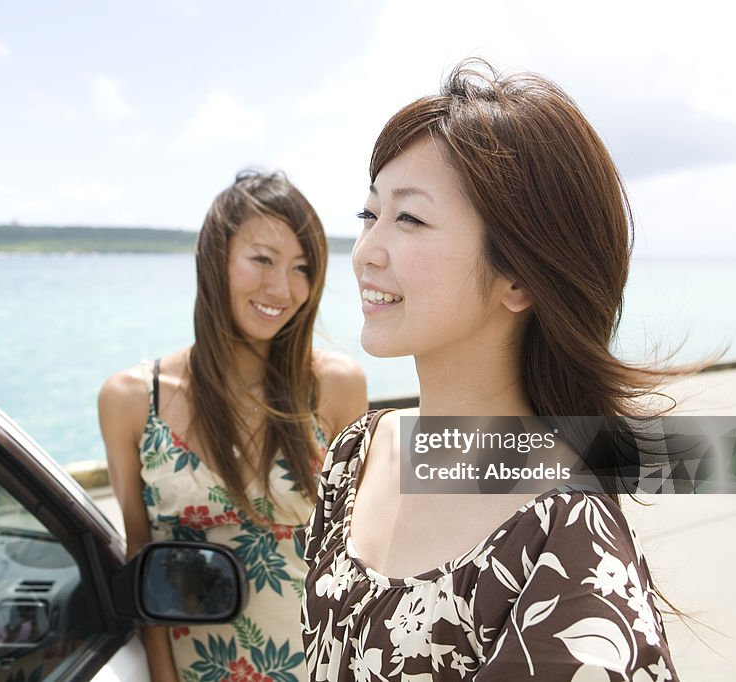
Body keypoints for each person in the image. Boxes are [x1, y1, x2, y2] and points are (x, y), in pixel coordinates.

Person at [301, 60, 681, 681]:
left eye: (410, 219)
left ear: (521, 276)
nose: (365, 252)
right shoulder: (354, 457)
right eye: (370, 215)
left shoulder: (565, 542)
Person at [100, 170, 367, 682]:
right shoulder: (132, 400)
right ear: (214, 260)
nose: (282, 288)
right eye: (262, 259)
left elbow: (356, 553)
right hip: (197, 667)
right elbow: (142, 560)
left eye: (302, 268)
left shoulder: (334, 387)